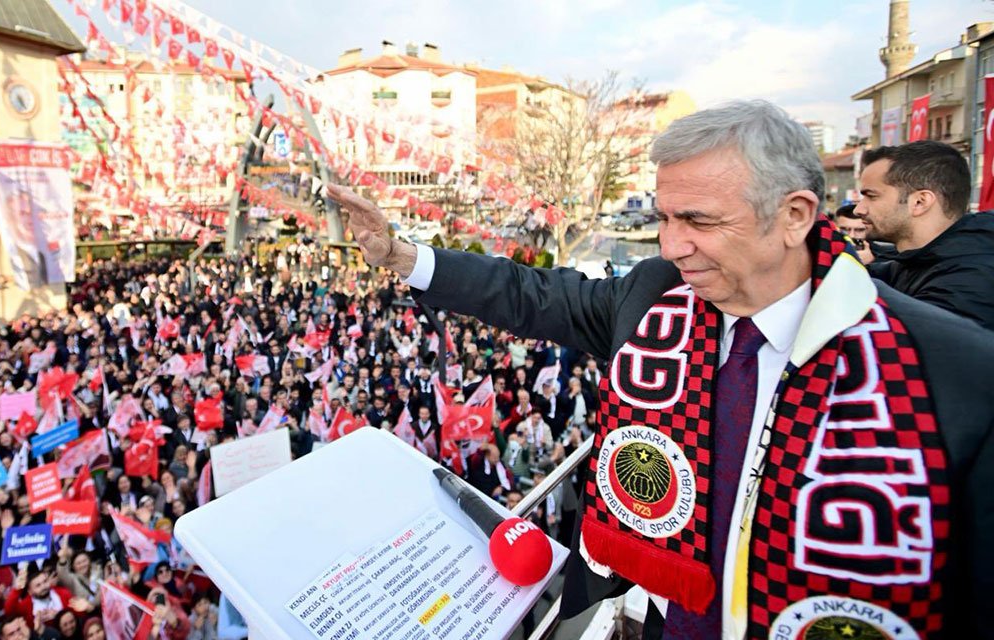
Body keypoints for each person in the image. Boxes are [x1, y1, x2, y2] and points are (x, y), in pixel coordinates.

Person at [329, 100, 994, 638]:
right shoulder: (652, 295)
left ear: (794, 216)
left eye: (699, 221)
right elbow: (531, 296)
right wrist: (400, 254)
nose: (673, 245)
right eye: (665, 217)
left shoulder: (949, 373)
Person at [854, 140, 994, 330]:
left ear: (920, 202)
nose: (858, 209)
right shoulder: (917, 262)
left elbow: (919, 347)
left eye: (871, 196)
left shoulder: (967, 282)